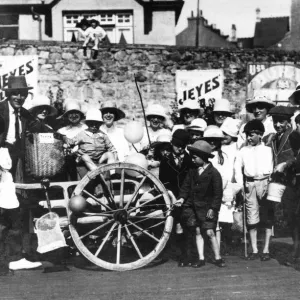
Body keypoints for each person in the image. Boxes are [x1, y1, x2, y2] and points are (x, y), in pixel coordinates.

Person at [0, 115, 42, 276]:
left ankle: (14, 258)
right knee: (3, 226)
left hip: (7, 190)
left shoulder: (4, 147)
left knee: (13, 225)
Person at [176, 140, 225, 268]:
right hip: (193, 208)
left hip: (207, 208)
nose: (193, 160)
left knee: (210, 232)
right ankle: (201, 258)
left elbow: (218, 194)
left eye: (195, 157)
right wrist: (181, 198)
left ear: (203, 157)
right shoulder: (192, 171)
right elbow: (186, 187)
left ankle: (218, 257)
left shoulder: (214, 173)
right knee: (197, 231)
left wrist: (213, 208)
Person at [235, 120, 274, 261]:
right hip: (249, 184)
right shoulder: (243, 151)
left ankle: (266, 249)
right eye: (247, 135)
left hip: (265, 183)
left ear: (260, 134)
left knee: (267, 216)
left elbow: (273, 168)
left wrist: (270, 183)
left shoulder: (268, 150)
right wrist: (241, 185)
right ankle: (254, 249)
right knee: (251, 217)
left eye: (252, 135)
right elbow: (237, 169)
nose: (249, 138)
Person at [263, 106, 299, 260]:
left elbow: (298, 156)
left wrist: (286, 165)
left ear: (288, 122)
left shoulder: (294, 135)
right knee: (288, 215)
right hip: (278, 182)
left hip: (293, 181)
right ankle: (295, 247)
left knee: (295, 215)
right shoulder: (273, 137)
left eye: (281, 122)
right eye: (275, 121)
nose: (277, 125)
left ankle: (296, 249)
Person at [159, 129, 195, 266]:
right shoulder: (165, 160)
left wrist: (184, 197)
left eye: (182, 145)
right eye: (177, 145)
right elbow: (164, 181)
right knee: (177, 226)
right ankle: (182, 256)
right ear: (172, 143)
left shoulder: (189, 160)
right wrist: (173, 197)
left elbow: (191, 179)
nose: (179, 148)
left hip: (186, 197)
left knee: (188, 226)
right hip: (170, 197)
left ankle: (188, 256)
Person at [0, 76, 37, 181]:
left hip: (18, 156)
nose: (19, 97)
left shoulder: (25, 113)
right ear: (8, 95)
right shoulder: (1, 110)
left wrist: (61, 136)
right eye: (15, 93)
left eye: (23, 94)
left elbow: (40, 127)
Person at [57, 100, 87, 180]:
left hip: (84, 161)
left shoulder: (86, 128)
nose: (73, 115)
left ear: (80, 115)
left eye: (76, 113)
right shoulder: (62, 131)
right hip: (68, 165)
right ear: (66, 115)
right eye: (70, 113)